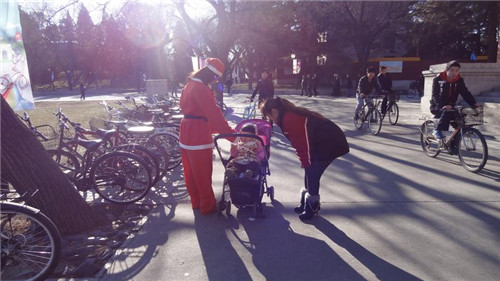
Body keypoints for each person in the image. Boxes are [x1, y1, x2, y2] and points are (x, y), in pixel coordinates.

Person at [260, 97, 349, 220]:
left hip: (331, 143)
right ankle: (306, 203)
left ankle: (312, 207)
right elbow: (298, 142)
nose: (271, 120)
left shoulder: (290, 118)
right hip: (321, 143)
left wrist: (305, 161)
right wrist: (305, 162)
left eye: (269, 117)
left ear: (274, 111)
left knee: (312, 173)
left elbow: (302, 143)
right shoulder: (286, 117)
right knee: (309, 172)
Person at [179, 57, 236, 215]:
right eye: (216, 77)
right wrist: (233, 136)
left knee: (190, 173)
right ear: (212, 75)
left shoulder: (189, 85)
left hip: (185, 132)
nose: (215, 80)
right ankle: (207, 206)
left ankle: (196, 203)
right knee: (203, 174)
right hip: (198, 135)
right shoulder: (202, 89)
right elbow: (214, 115)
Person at [430, 60, 480, 140]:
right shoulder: (438, 79)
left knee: (459, 125)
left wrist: (473, 103)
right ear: (447, 70)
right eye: (452, 70)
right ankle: (437, 130)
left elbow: (465, 93)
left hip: (451, 107)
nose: (454, 73)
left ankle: (454, 148)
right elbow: (435, 96)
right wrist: (443, 106)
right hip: (437, 106)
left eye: (457, 71)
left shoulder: (459, 80)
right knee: (448, 111)